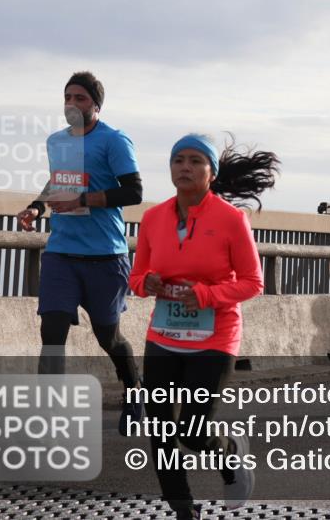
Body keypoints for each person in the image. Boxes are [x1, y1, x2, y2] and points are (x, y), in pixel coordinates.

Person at [128, 134, 278, 519]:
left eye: (195, 161)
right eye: (178, 160)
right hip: (163, 335)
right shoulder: (153, 218)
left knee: (194, 433)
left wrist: (207, 296)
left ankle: (229, 453)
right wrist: (149, 283)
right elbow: (136, 276)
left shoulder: (230, 220)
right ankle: (184, 512)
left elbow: (252, 282)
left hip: (214, 338)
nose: (185, 167)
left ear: (211, 173)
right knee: (161, 434)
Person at [17, 72, 143, 434]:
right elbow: (57, 183)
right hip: (62, 253)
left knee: (110, 338)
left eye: (80, 98)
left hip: (105, 255)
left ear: (96, 105)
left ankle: (134, 393)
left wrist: (84, 200)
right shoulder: (57, 141)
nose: (72, 104)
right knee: (52, 331)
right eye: (67, 97)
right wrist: (36, 208)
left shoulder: (114, 141)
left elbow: (133, 192)